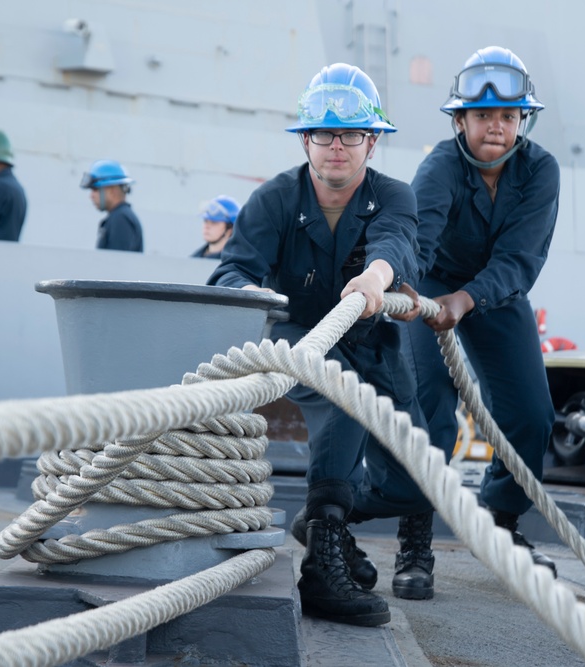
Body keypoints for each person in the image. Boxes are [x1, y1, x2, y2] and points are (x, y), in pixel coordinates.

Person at [209, 63, 429, 628]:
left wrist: (374, 280)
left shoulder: (396, 196)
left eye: (351, 133)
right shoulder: (274, 200)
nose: (337, 146)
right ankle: (322, 562)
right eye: (324, 134)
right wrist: (253, 292)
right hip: (299, 338)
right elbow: (232, 271)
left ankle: (320, 514)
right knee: (341, 401)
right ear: (305, 138)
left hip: (374, 342)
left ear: (372, 142)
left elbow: (396, 243)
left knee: (413, 480)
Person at [396, 46, 562, 596]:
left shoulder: (541, 171)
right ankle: (415, 542)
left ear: (523, 122)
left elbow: (520, 258)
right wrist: (414, 297)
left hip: (494, 294)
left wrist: (467, 300)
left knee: (532, 413)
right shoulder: (440, 167)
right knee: (431, 413)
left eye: (509, 117)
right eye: (484, 116)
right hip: (430, 292)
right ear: (460, 120)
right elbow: (417, 241)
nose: (497, 126)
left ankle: (499, 519)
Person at [80, 160, 144, 252]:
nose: (91, 196)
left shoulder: (120, 219)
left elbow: (117, 264)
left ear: (112, 191)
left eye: (95, 189)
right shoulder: (119, 216)